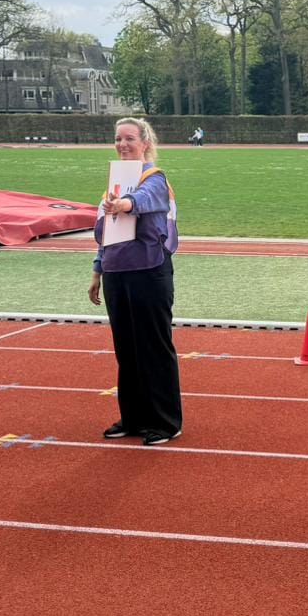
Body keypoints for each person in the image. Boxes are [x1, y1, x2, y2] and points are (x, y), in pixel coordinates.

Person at [88, 116, 183, 445]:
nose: (122, 144)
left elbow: (142, 201)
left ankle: (166, 422)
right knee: (126, 349)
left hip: (149, 271)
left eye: (129, 138)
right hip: (116, 272)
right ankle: (133, 418)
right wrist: (97, 270)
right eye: (118, 138)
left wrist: (123, 204)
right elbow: (105, 233)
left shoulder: (154, 178)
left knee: (153, 347)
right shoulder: (114, 182)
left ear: (145, 142)